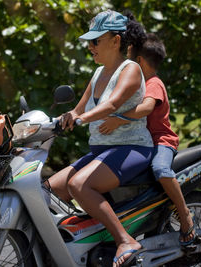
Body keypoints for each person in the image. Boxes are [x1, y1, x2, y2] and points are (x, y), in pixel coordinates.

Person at [46, 10, 153, 267]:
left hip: (132, 148)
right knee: (50, 188)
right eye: (89, 41)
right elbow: (79, 108)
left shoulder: (131, 69)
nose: (90, 46)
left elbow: (113, 104)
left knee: (80, 185)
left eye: (96, 41)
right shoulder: (98, 74)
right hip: (101, 151)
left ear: (116, 41)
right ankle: (85, 238)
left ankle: (125, 240)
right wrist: (66, 118)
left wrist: (83, 119)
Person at [98, 33, 196, 245]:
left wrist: (118, 119)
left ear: (140, 61)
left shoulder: (153, 83)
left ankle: (184, 212)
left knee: (161, 169)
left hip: (162, 142)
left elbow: (146, 108)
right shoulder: (142, 84)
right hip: (145, 143)